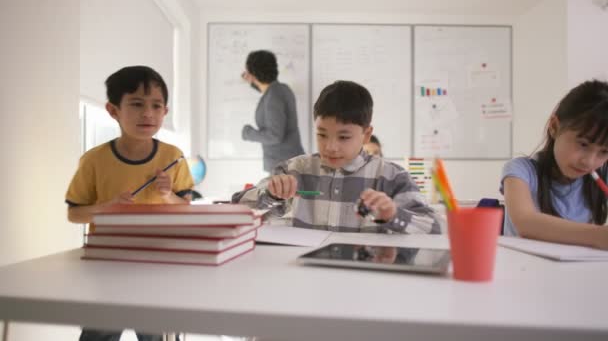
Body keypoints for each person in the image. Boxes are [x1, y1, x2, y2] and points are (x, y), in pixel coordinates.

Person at [66, 65, 193, 341]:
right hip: (106, 265)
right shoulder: (94, 160)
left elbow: (186, 211)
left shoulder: (174, 156)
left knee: (154, 334)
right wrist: (105, 207)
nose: (148, 113)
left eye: (156, 106)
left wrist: (168, 195)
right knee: (100, 331)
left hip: (158, 265)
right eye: (136, 104)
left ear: (165, 112)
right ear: (113, 110)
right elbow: (74, 214)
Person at [233, 80, 441, 234]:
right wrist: (270, 195)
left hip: (366, 280)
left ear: (366, 134)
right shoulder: (294, 170)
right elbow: (237, 208)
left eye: (344, 137)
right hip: (303, 278)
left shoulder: (391, 177)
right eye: (322, 135)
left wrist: (393, 214)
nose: (331, 147)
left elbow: (434, 228)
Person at [501, 79, 608, 250]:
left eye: (604, 152)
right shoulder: (520, 170)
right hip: (524, 271)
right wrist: (598, 235)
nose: (589, 161)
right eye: (583, 144)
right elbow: (526, 222)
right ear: (554, 127)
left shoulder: (603, 173)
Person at [241, 50, 305, 172]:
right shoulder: (281, 90)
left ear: (253, 74)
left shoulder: (274, 96)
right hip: (289, 166)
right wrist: (252, 82)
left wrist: (247, 133)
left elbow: (274, 136)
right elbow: (267, 95)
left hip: (284, 169)